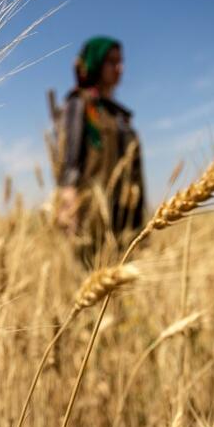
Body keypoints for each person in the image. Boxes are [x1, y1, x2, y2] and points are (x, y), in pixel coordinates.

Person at [53, 36, 145, 266]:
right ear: (96, 64)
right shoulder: (79, 104)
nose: (120, 68)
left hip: (122, 216)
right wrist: (67, 199)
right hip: (91, 216)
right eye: (112, 61)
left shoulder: (119, 116)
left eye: (120, 61)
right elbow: (69, 157)